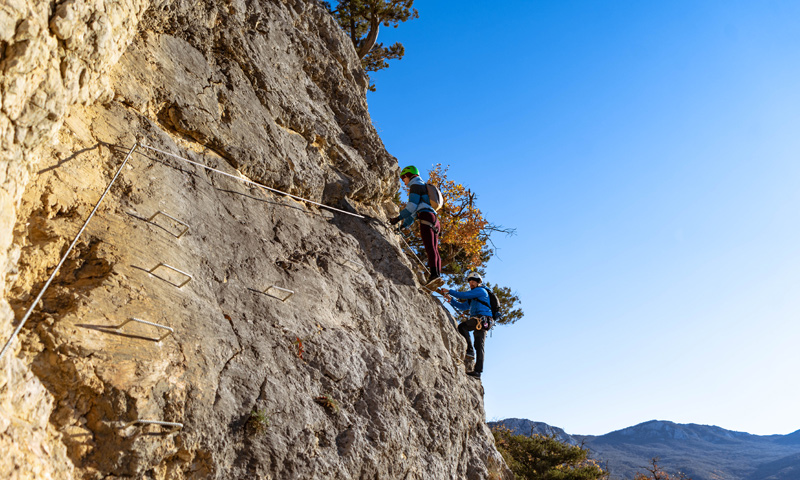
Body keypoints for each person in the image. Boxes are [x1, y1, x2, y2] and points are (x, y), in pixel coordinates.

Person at [389, 165, 442, 288]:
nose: (404, 181)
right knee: (434, 248)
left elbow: (411, 207)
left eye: (403, 178)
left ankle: (434, 275)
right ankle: (437, 275)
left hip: (426, 217)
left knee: (430, 247)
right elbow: (414, 213)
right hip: (434, 219)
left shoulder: (415, 185)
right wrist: (403, 225)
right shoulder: (422, 186)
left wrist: (397, 218)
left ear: (408, 175)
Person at [440, 271, 491, 379]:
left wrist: (449, 291)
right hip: (483, 321)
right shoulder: (474, 297)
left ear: (478, 282)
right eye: (470, 282)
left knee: (463, 327)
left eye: (473, 281)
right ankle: (478, 372)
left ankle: (470, 351)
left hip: (482, 319)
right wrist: (451, 300)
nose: (471, 283)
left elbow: (463, 295)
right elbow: (463, 307)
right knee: (479, 345)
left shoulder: (480, 291)